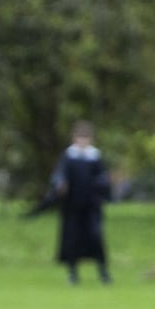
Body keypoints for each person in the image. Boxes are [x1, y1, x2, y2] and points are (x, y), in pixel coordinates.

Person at [28, 120, 113, 284]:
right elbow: (59, 175)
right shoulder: (68, 156)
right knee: (72, 239)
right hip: (72, 206)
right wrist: (60, 184)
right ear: (74, 139)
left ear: (91, 139)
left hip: (91, 206)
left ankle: (103, 272)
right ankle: (73, 273)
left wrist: (102, 186)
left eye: (85, 138)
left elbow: (103, 178)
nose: (82, 141)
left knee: (96, 237)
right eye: (80, 137)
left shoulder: (95, 157)